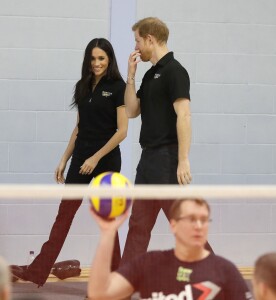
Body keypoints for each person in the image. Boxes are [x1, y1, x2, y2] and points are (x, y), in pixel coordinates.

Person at [11, 38, 128, 287]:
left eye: (101, 58)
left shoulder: (118, 87)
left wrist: (95, 158)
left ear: (109, 60)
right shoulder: (82, 86)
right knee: (64, 215)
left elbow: (122, 131)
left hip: (105, 161)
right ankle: (37, 272)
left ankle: (116, 276)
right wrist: (64, 159)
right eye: (93, 58)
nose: (96, 63)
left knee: (108, 221)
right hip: (80, 161)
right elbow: (78, 128)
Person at [122, 17, 212, 264]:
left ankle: (217, 278)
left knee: (183, 223)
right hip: (148, 159)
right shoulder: (151, 75)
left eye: (138, 41)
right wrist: (131, 76)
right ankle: (123, 284)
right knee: (138, 225)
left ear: (150, 39)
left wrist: (183, 160)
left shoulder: (175, 71)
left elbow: (184, 115)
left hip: (167, 159)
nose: (137, 47)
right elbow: (131, 111)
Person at [88, 198, 253, 300]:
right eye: (191, 219)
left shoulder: (225, 271)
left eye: (204, 220)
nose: (198, 226)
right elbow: (99, 293)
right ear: (173, 225)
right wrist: (107, 235)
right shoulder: (149, 264)